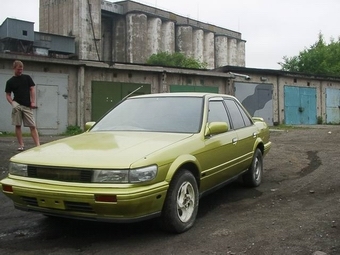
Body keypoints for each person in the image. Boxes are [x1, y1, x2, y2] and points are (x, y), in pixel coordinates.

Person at [5, 60, 40, 151]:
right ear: (14, 69)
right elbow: (8, 95)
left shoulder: (27, 78)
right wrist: (12, 103)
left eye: (21, 69)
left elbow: (32, 89)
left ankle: (38, 145)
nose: (20, 71)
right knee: (17, 125)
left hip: (27, 105)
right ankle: (21, 145)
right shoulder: (10, 82)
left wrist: (32, 101)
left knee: (32, 126)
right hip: (17, 105)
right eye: (18, 69)